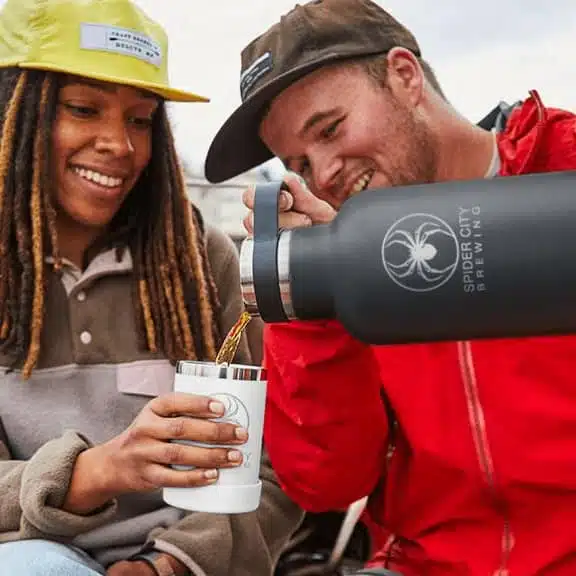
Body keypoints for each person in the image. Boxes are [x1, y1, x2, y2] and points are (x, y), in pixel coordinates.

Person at [204, 0, 576, 574]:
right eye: (298, 162)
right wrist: (312, 304)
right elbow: (326, 483)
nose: (323, 172)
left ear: (405, 76)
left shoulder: (560, 170)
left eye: (330, 129)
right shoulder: (351, 263)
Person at [0, 0, 303, 575]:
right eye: (84, 109)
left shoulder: (196, 259)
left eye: (140, 119)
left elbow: (271, 468)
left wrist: (170, 563)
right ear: (14, 112)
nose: (120, 144)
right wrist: (93, 473)